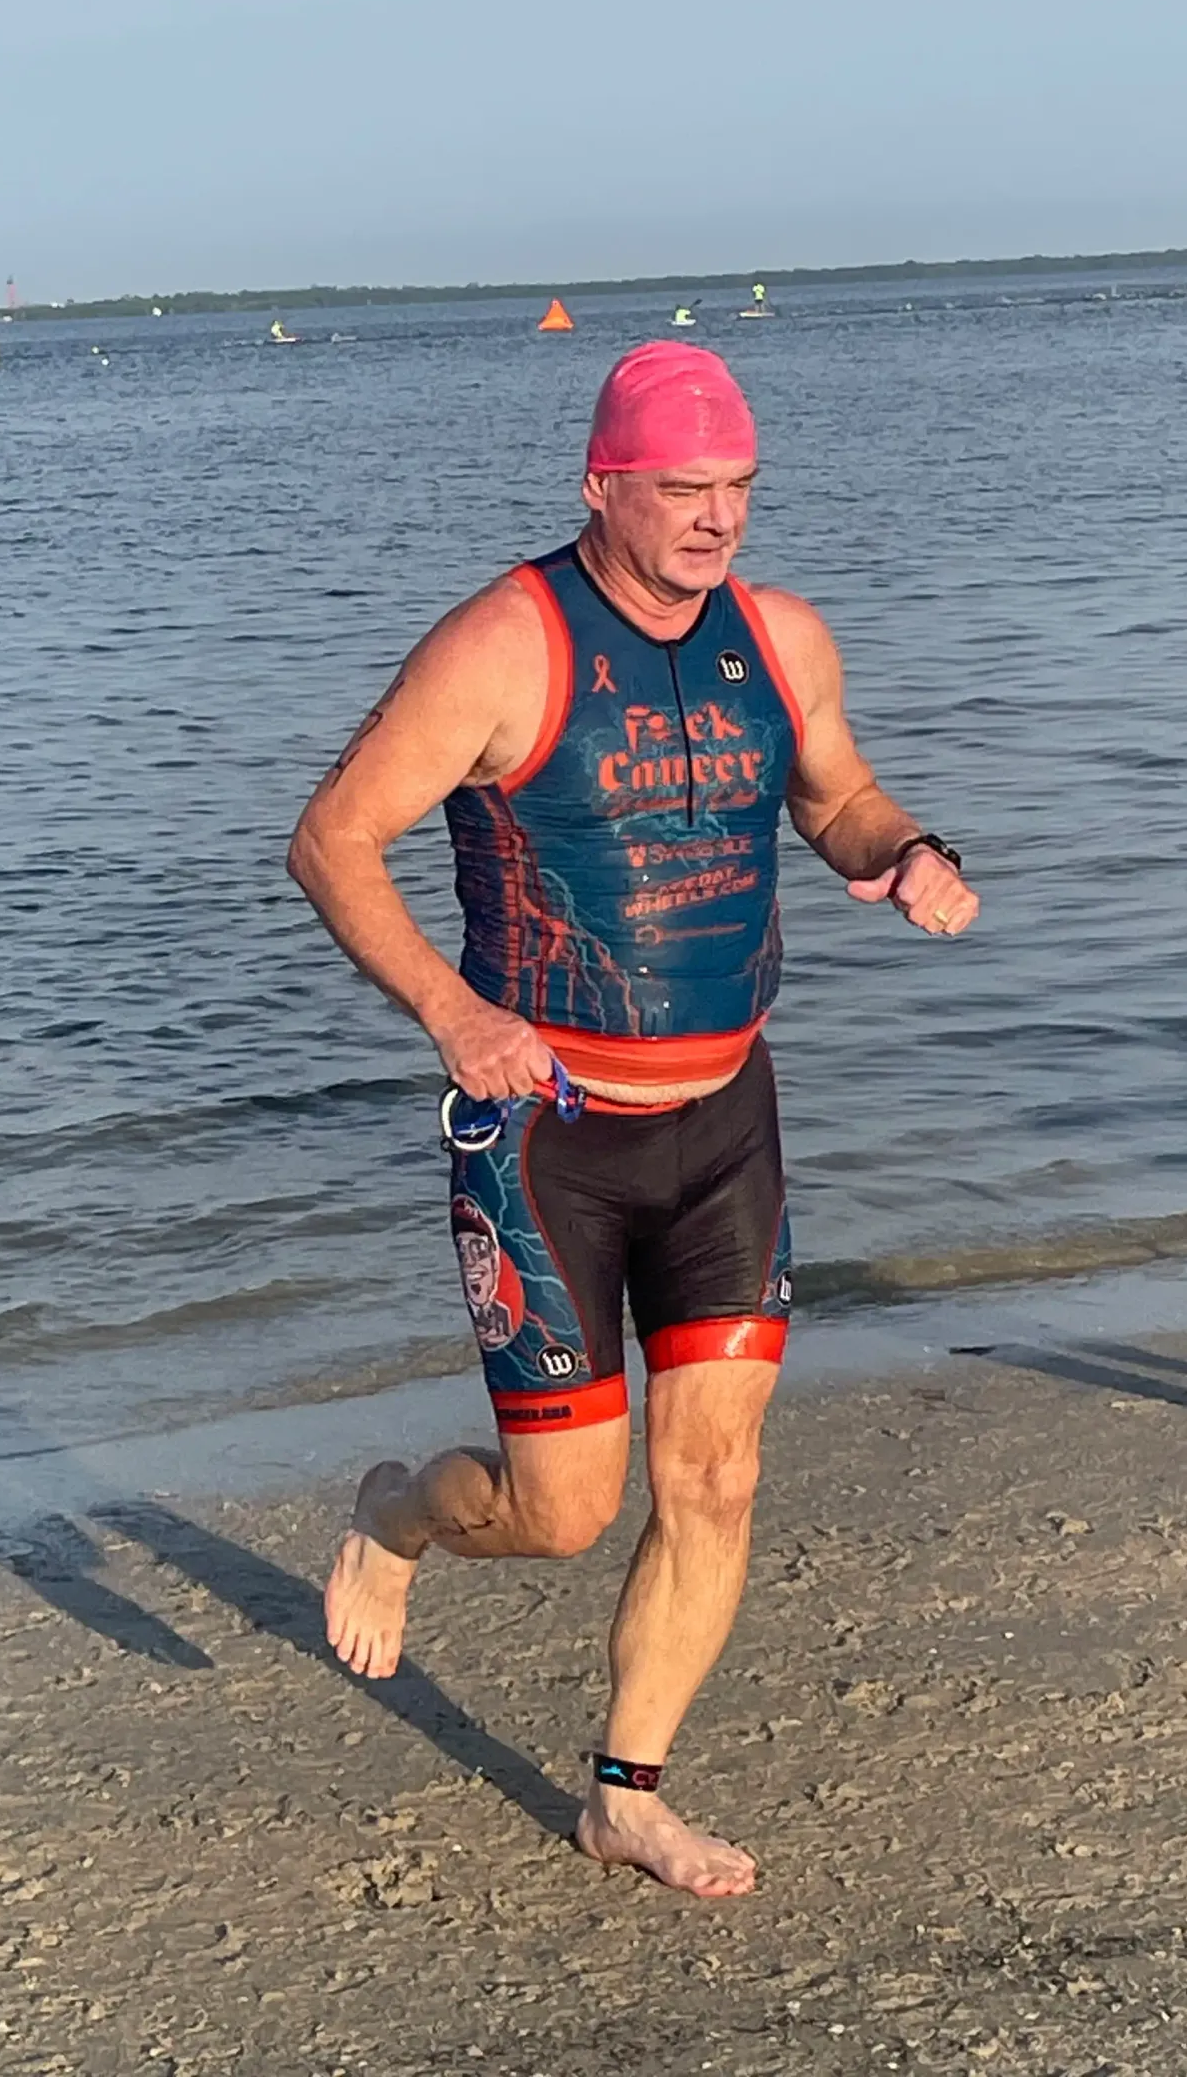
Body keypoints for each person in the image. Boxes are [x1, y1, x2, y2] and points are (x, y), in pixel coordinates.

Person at [286, 340, 979, 1899]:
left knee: (717, 1479)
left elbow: (834, 796)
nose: (719, 518)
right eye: (684, 490)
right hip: (552, 1140)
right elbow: (333, 839)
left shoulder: (779, 636)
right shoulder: (503, 647)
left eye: (740, 487)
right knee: (561, 1514)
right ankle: (396, 1515)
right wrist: (454, 1014)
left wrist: (906, 851)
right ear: (602, 485)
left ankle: (627, 1794)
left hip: (726, 1125)